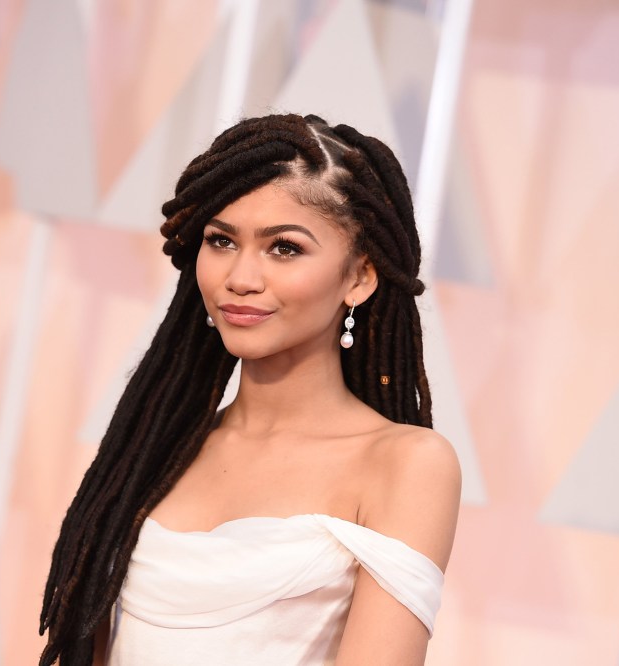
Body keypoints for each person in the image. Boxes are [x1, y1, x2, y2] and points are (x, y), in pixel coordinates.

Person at [38, 114, 462, 665]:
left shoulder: (407, 464)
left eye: (283, 248)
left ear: (359, 276)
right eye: (221, 240)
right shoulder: (152, 449)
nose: (240, 277)